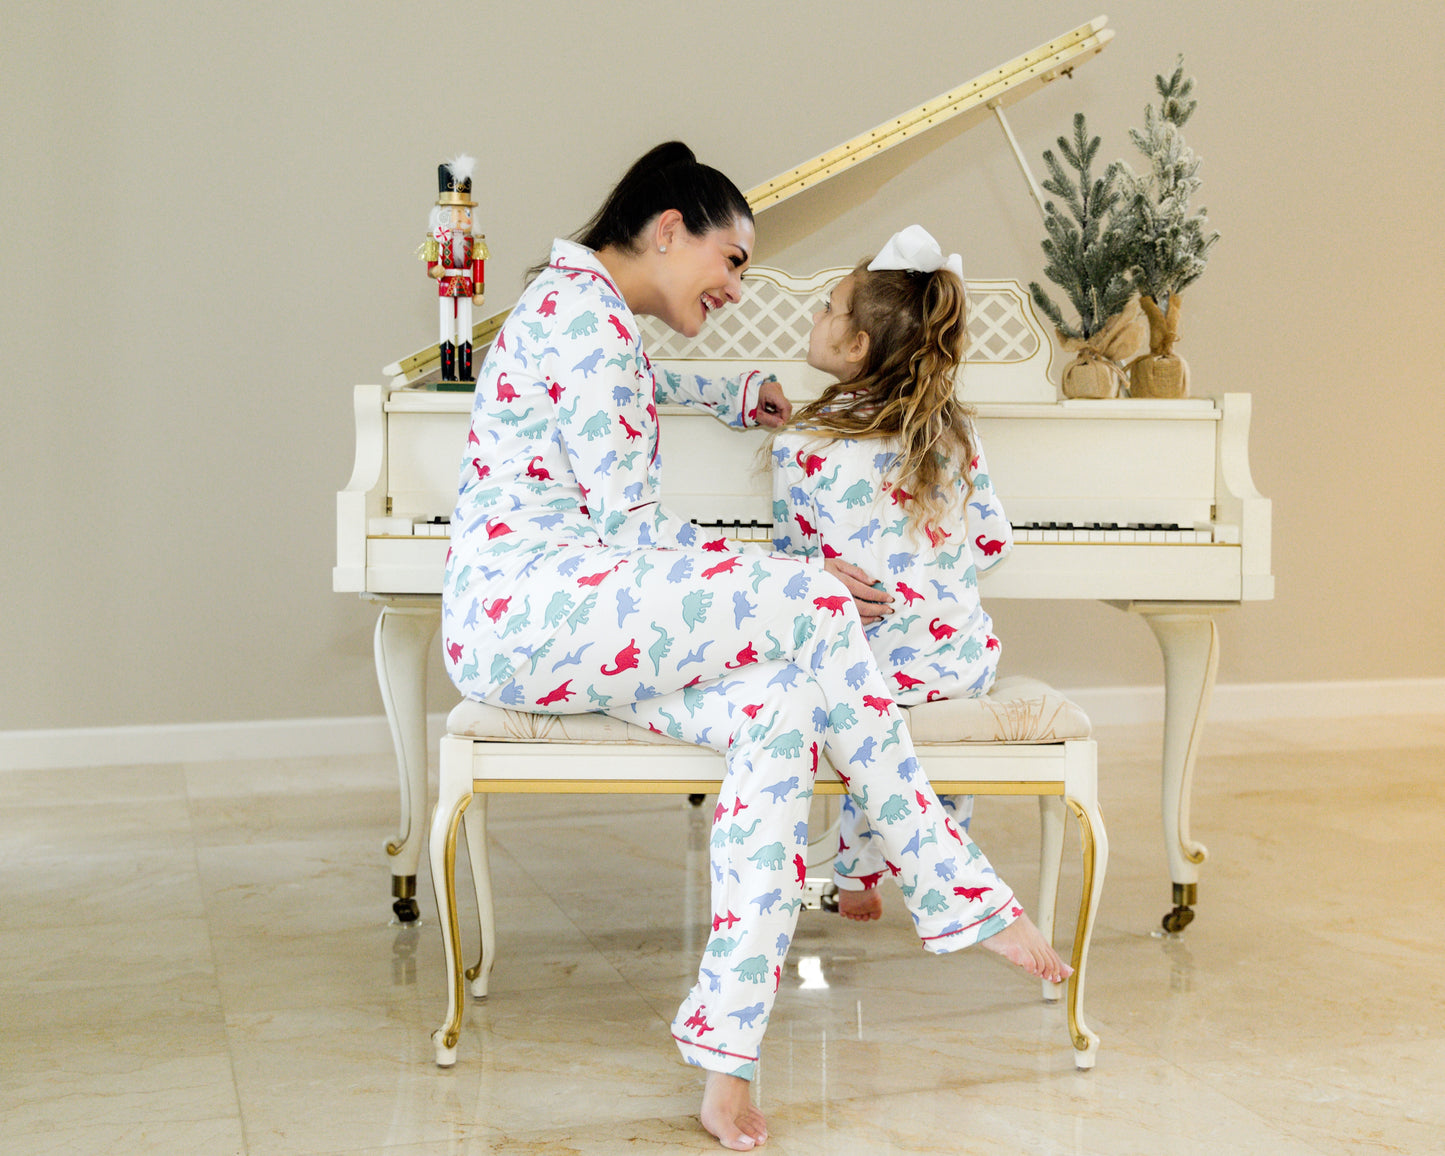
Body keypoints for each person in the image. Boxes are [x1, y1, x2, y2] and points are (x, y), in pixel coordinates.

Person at [443, 149, 1067, 1151]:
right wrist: (786, 587)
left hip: (581, 623)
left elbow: (635, 391)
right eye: (728, 259)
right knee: (816, 605)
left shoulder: (590, 316)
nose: (735, 287)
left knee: (781, 707)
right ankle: (950, 883)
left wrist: (731, 397)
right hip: (534, 615)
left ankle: (724, 1059)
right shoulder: (580, 319)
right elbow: (634, 529)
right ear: (666, 230)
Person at [770, 225, 1016, 926]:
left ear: (854, 347)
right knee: (922, 693)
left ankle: (854, 873)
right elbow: (991, 543)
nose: (814, 318)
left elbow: (801, 572)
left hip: (866, 673)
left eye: (826, 308)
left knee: (849, 677)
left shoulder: (802, 443)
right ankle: (942, 844)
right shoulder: (953, 433)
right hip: (955, 665)